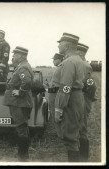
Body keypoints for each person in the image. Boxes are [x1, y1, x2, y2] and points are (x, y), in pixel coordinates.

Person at [55, 33, 85, 162]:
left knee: (70, 136)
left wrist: (59, 109)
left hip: (70, 99)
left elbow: (65, 87)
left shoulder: (69, 62)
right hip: (77, 97)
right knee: (75, 132)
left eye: (60, 43)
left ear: (66, 46)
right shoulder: (79, 60)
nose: (58, 45)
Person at [3, 46, 34, 161]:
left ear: (21, 56)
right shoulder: (22, 66)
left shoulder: (23, 67)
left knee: (21, 127)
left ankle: (23, 156)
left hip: (19, 102)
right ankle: (23, 154)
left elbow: (27, 81)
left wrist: (20, 92)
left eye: (15, 54)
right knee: (23, 127)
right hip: (19, 102)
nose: (13, 56)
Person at [77, 43, 97, 161]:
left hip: (83, 99)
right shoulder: (82, 64)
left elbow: (90, 85)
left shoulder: (84, 66)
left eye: (76, 51)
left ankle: (84, 157)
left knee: (82, 127)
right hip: (82, 98)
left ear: (80, 53)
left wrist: (87, 99)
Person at [48, 53, 64, 134]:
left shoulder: (62, 67)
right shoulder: (59, 67)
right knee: (53, 111)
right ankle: (59, 132)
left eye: (54, 59)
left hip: (56, 93)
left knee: (56, 112)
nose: (53, 61)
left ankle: (60, 133)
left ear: (60, 59)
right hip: (53, 92)